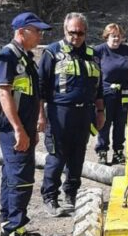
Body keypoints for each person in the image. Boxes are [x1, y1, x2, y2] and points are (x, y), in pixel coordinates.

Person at [0, 11, 52, 236]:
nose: (40, 35)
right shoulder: (6, 57)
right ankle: (17, 234)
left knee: (10, 175)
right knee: (20, 178)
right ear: (21, 32)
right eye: (36, 30)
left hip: (24, 127)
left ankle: (8, 226)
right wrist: (18, 129)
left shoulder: (26, 58)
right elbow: (4, 94)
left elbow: (33, 92)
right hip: (12, 128)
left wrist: (38, 118)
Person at [39, 12, 105, 217]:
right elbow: (41, 87)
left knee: (78, 157)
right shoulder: (52, 53)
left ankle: (72, 193)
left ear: (85, 33)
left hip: (84, 113)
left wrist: (101, 112)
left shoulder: (93, 55)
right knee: (57, 157)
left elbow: (99, 89)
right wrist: (40, 116)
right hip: (59, 113)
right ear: (64, 30)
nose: (75, 37)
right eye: (71, 32)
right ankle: (50, 197)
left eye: (80, 33)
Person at [94, 23, 128, 165]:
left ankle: (118, 152)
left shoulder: (127, 51)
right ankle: (102, 152)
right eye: (114, 36)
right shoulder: (99, 50)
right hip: (105, 92)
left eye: (119, 37)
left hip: (124, 93)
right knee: (104, 123)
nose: (116, 39)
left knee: (120, 123)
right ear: (107, 36)